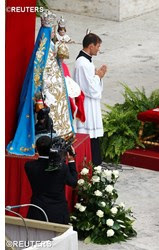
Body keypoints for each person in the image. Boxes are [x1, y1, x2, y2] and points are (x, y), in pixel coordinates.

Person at [7, 10, 74, 156]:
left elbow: (59, 60)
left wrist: (61, 40)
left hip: (57, 85)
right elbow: (38, 72)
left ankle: (63, 133)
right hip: (47, 87)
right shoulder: (41, 49)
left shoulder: (50, 44)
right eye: (51, 31)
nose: (52, 33)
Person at [25, 136, 77, 224]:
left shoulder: (29, 166)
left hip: (37, 211)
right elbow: (73, 182)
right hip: (57, 213)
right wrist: (71, 161)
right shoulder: (62, 168)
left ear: (36, 150)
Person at [73, 33, 107, 166]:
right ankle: (92, 164)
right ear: (91, 46)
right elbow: (90, 88)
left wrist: (98, 75)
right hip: (86, 104)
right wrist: (98, 76)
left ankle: (96, 163)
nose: (99, 49)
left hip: (90, 103)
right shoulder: (82, 63)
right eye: (98, 46)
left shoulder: (87, 61)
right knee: (88, 135)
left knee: (94, 137)